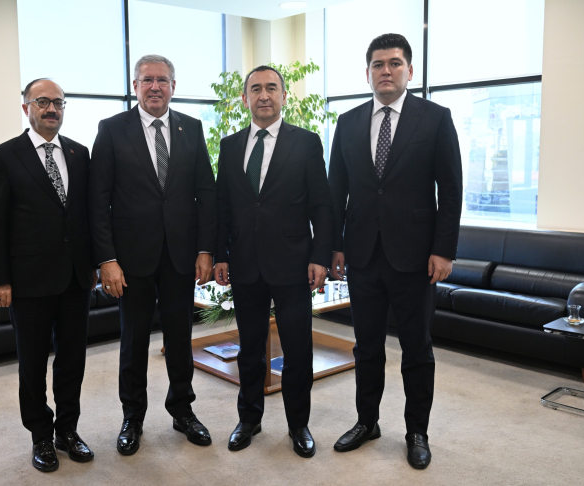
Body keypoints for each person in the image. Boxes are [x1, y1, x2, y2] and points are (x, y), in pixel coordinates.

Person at [327, 33, 462, 469]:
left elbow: (451, 190)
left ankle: (417, 431)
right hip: (362, 255)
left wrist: (444, 250)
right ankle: (367, 422)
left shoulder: (435, 118)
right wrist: (334, 246)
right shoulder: (348, 122)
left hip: (416, 258)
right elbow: (336, 191)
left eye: (394, 63)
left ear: (410, 70)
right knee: (366, 347)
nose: (386, 70)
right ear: (367, 72)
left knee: (416, 350)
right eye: (378, 64)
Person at [90, 54, 217, 456]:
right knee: (133, 341)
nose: (155, 87)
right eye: (147, 80)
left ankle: (183, 410)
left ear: (173, 87)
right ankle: (133, 417)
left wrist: (205, 249)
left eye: (163, 80)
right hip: (131, 260)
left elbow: (205, 193)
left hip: (180, 256)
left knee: (180, 338)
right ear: (135, 86)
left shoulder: (191, 128)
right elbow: (98, 201)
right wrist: (106, 259)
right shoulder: (112, 130)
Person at [214, 65, 332, 458]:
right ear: (244, 97)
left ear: (284, 95)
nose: (263, 95)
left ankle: (299, 424)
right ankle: (249, 419)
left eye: (271, 88)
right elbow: (222, 206)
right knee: (249, 349)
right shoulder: (230, 146)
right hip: (244, 263)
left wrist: (320, 256)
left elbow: (321, 205)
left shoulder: (307, 143)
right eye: (255, 89)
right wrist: (219, 254)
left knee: (297, 350)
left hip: (294, 264)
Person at [0, 78, 96, 473]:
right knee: (32, 365)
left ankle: (68, 430)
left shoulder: (79, 153)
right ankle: (40, 437)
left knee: (72, 361)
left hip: (76, 278)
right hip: (28, 281)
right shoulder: (3, 156)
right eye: (43, 101)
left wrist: (94, 264)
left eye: (58, 103)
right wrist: (0, 279)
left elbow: (86, 215)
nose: (52, 109)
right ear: (26, 107)